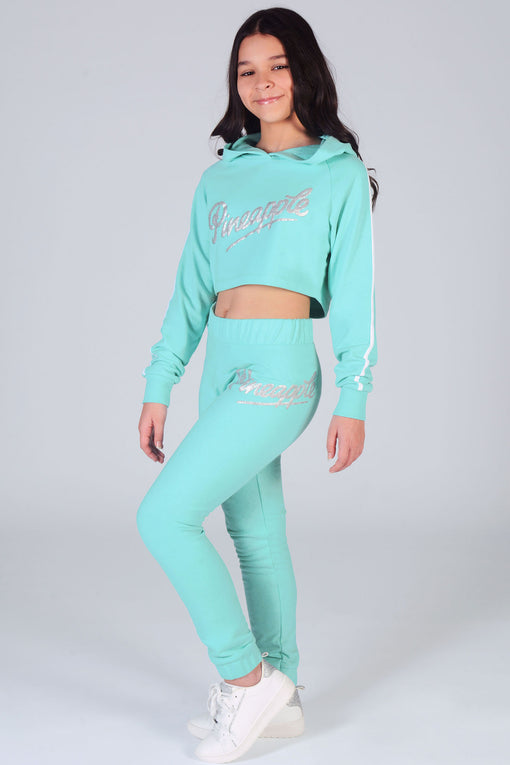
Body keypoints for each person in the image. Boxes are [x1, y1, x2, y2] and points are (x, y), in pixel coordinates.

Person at [136, 7, 378, 763]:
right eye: (247, 70)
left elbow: (357, 296)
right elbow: (190, 291)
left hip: (281, 365)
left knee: (164, 516)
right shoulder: (221, 176)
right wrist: (159, 383)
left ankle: (245, 679)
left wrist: (354, 397)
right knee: (255, 531)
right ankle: (285, 698)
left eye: (278, 66)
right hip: (221, 358)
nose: (263, 82)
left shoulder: (336, 172)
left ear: (305, 73)